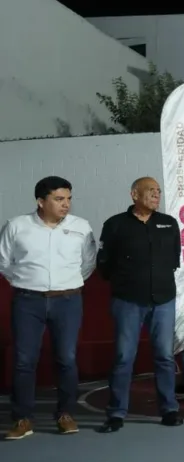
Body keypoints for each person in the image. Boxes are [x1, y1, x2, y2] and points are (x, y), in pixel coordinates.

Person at [0, 176, 97, 440]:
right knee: (24, 360)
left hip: (68, 301)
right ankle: (22, 418)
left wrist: (66, 284)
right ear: (41, 201)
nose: (66, 204)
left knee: (67, 358)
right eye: (59, 199)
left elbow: (88, 263)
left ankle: (66, 414)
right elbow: (4, 262)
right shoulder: (16, 226)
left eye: (69, 199)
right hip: (27, 301)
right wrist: (28, 282)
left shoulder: (81, 227)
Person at [96, 177, 183, 432]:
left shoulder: (169, 223)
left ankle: (169, 409)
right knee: (124, 357)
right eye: (150, 191)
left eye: (159, 191)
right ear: (134, 194)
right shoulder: (115, 225)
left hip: (163, 300)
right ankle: (116, 413)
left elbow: (174, 259)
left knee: (165, 356)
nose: (157, 195)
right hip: (128, 302)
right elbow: (104, 263)